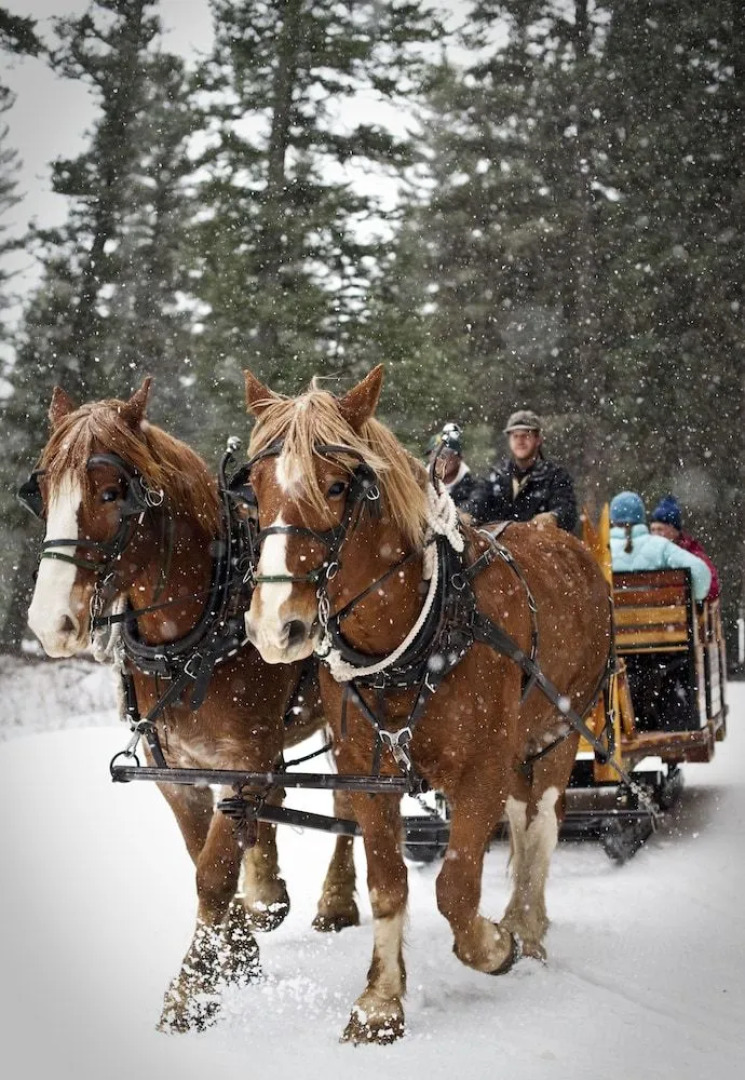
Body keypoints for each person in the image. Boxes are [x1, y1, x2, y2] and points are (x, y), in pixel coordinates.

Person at [465, 409, 578, 531]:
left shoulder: (555, 476)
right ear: (509, 440)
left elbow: (568, 511)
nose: (520, 440)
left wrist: (553, 517)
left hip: (539, 547)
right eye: (515, 436)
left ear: (538, 439)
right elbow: (477, 501)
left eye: (526, 435)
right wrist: (467, 514)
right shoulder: (496, 476)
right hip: (498, 546)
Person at [609, 491, 711, 601]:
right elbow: (700, 572)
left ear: (612, 520)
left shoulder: (602, 551)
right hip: (662, 617)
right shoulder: (660, 546)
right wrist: (694, 597)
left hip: (614, 617)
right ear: (642, 517)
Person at [649, 494, 720, 601]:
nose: (656, 534)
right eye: (653, 530)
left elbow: (712, 586)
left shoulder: (692, 552)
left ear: (674, 530)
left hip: (676, 611)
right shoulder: (649, 553)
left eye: (660, 529)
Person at [425, 422, 477, 510]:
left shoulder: (475, 490)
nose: (438, 459)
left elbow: (473, 511)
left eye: (445, 453)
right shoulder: (418, 487)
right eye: (434, 453)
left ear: (459, 457)